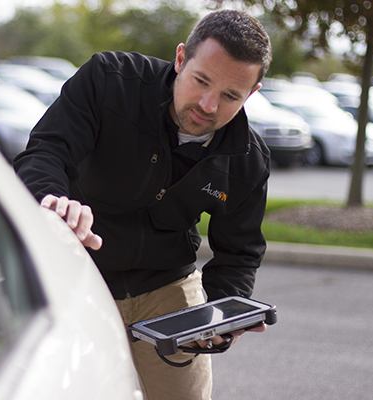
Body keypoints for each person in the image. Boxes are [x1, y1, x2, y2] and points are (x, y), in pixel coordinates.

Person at [14, 9, 272, 400]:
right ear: (181, 58)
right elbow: (46, 151)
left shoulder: (248, 159)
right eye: (202, 80)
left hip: (169, 289)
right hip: (81, 274)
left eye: (230, 96)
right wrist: (53, 202)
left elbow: (239, 253)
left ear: (251, 94)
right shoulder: (107, 80)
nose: (208, 104)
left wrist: (219, 319)